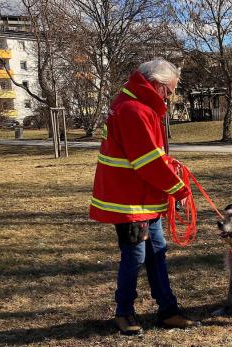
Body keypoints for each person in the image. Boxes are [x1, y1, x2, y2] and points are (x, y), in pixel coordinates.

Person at [89, 58, 199, 335]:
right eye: (170, 91)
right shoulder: (133, 110)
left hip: (143, 199)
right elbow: (147, 161)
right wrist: (179, 190)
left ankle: (168, 310)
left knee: (156, 254)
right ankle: (124, 312)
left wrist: (169, 168)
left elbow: (152, 156)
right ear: (155, 85)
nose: (171, 97)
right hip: (129, 201)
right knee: (135, 256)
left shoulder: (136, 106)